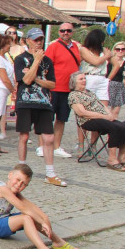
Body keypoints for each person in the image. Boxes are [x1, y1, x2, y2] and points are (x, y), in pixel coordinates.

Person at [0, 163, 77, 249]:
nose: (19, 185)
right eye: (18, 180)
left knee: (32, 216)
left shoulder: (15, 192)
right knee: (26, 218)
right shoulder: (3, 189)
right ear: (10, 175)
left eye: (23, 184)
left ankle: (57, 241)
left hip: (2, 219)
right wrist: (43, 223)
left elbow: (30, 206)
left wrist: (44, 217)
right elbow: (23, 208)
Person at [14, 27, 65, 186]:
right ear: (28, 41)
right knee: (24, 136)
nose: (39, 43)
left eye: (41, 39)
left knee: (49, 137)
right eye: (35, 40)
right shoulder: (21, 59)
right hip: (25, 101)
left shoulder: (48, 61)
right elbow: (25, 81)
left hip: (44, 103)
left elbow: (52, 83)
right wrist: (36, 61)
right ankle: (21, 169)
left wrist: (36, 78)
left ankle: (50, 173)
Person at [67, 72, 125, 170]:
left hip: (102, 118)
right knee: (113, 128)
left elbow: (102, 105)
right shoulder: (73, 95)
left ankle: (122, 158)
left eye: (85, 78)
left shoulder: (90, 92)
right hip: (88, 121)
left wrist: (109, 115)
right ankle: (111, 159)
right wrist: (103, 116)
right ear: (74, 82)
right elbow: (82, 113)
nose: (84, 80)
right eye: (81, 79)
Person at [43, 23, 80, 157]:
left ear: (72, 32)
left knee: (62, 119)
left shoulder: (76, 47)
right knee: (47, 118)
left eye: (68, 30)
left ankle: (56, 146)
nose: (65, 33)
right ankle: (43, 146)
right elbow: (45, 66)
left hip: (68, 89)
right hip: (54, 87)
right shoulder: (53, 46)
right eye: (63, 30)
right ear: (59, 32)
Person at [106, 41, 125, 121]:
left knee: (116, 111)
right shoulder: (109, 61)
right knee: (105, 110)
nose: (120, 51)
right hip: (108, 85)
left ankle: (112, 129)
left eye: (123, 49)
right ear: (114, 50)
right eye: (118, 49)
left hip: (119, 86)